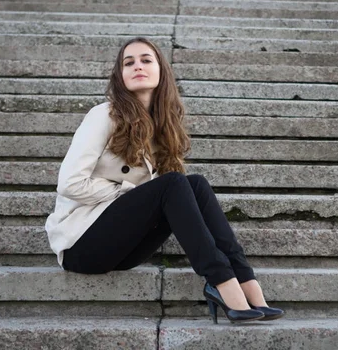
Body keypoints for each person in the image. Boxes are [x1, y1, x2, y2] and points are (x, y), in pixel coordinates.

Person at [45, 37, 283, 323]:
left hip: (124, 249)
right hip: (82, 244)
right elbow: (70, 183)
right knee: (173, 184)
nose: (137, 66)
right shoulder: (104, 115)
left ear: (161, 72)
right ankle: (222, 283)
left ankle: (247, 283)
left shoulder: (163, 127)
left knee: (195, 184)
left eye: (146, 60)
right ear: (120, 76)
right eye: (128, 62)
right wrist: (130, 193)